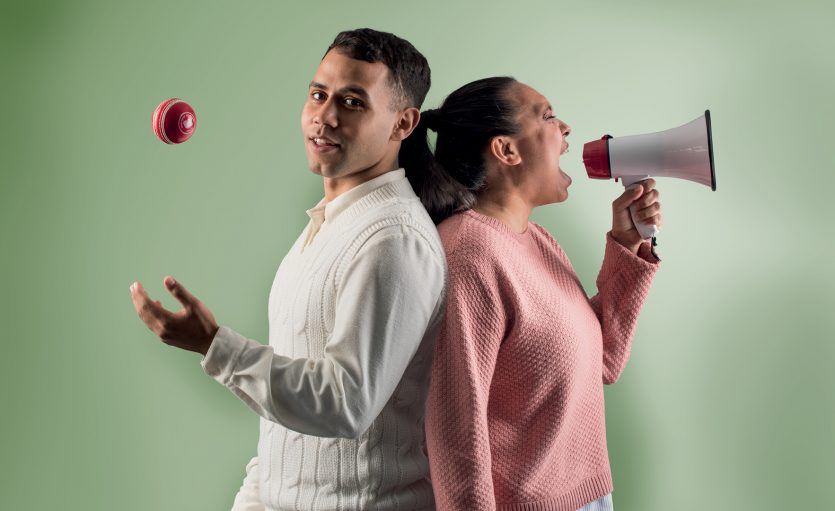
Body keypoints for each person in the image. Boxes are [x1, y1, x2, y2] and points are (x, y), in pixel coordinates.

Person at [129, 29, 446, 511]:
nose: (325, 116)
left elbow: (345, 403)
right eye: (318, 94)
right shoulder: (329, 224)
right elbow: (285, 426)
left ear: (403, 123)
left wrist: (215, 346)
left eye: (353, 102)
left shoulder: (394, 239)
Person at [401, 76, 662, 511]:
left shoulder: (535, 240)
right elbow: (454, 430)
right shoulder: (469, 254)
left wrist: (628, 246)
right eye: (546, 115)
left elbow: (605, 360)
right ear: (506, 150)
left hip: (588, 496)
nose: (566, 128)